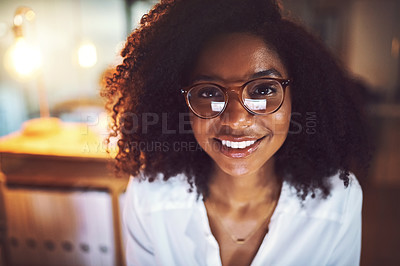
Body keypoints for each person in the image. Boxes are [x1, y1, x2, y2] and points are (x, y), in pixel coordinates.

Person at [102, 0, 370, 265]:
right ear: (177, 105)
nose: (237, 119)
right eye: (208, 92)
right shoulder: (149, 196)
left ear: (298, 98)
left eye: (263, 90)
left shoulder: (338, 201)